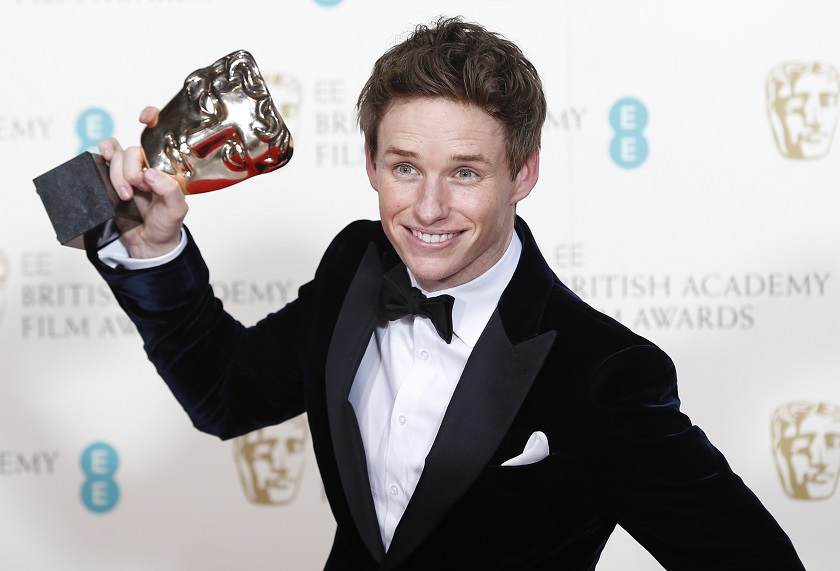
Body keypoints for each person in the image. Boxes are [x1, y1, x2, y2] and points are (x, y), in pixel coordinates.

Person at [88, 16, 805, 570]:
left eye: (464, 172)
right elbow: (225, 393)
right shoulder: (356, 267)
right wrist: (150, 249)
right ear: (370, 162)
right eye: (405, 167)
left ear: (522, 175)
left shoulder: (603, 373)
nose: (427, 209)